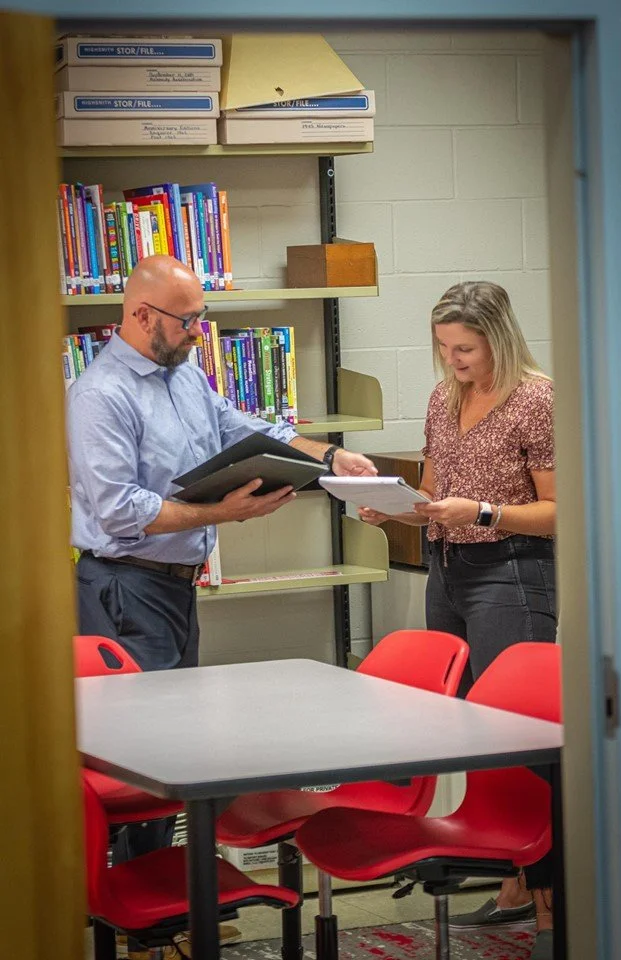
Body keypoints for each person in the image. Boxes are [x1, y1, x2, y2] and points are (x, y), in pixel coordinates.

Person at [67, 254, 377, 960]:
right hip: (122, 587)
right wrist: (224, 513)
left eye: (202, 319)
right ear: (141, 316)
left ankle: (165, 917)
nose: (199, 334)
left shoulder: (183, 376)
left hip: (171, 591)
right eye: (189, 320)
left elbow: (237, 424)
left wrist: (326, 457)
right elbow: (119, 512)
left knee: (172, 753)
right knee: (133, 764)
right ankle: (133, 922)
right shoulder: (100, 394)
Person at [359, 281, 557, 960]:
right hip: (449, 568)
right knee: (470, 727)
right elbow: (436, 495)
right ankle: (513, 880)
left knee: (522, 732)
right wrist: (395, 507)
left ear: (496, 338)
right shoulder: (444, 398)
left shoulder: (536, 398)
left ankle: (550, 897)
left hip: (512, 566)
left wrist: (481, 512)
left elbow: (559, 510)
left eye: (464, 347)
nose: (452, 360)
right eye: (443, 347)